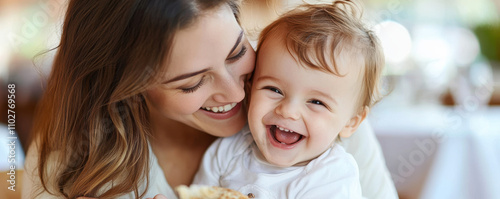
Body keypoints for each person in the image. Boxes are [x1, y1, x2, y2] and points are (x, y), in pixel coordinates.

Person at [22, 0, 397, 199]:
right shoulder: (74, 152)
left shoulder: (325, 123)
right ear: (128, 86)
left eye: (236, 53)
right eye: (192, 83)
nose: (238, 93)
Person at [192, 1, 385, 198]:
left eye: (317, 102)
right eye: (274, 89)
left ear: (351, 123)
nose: (288, 111)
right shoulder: (229, 151)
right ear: (250, 90)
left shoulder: (332, 177)